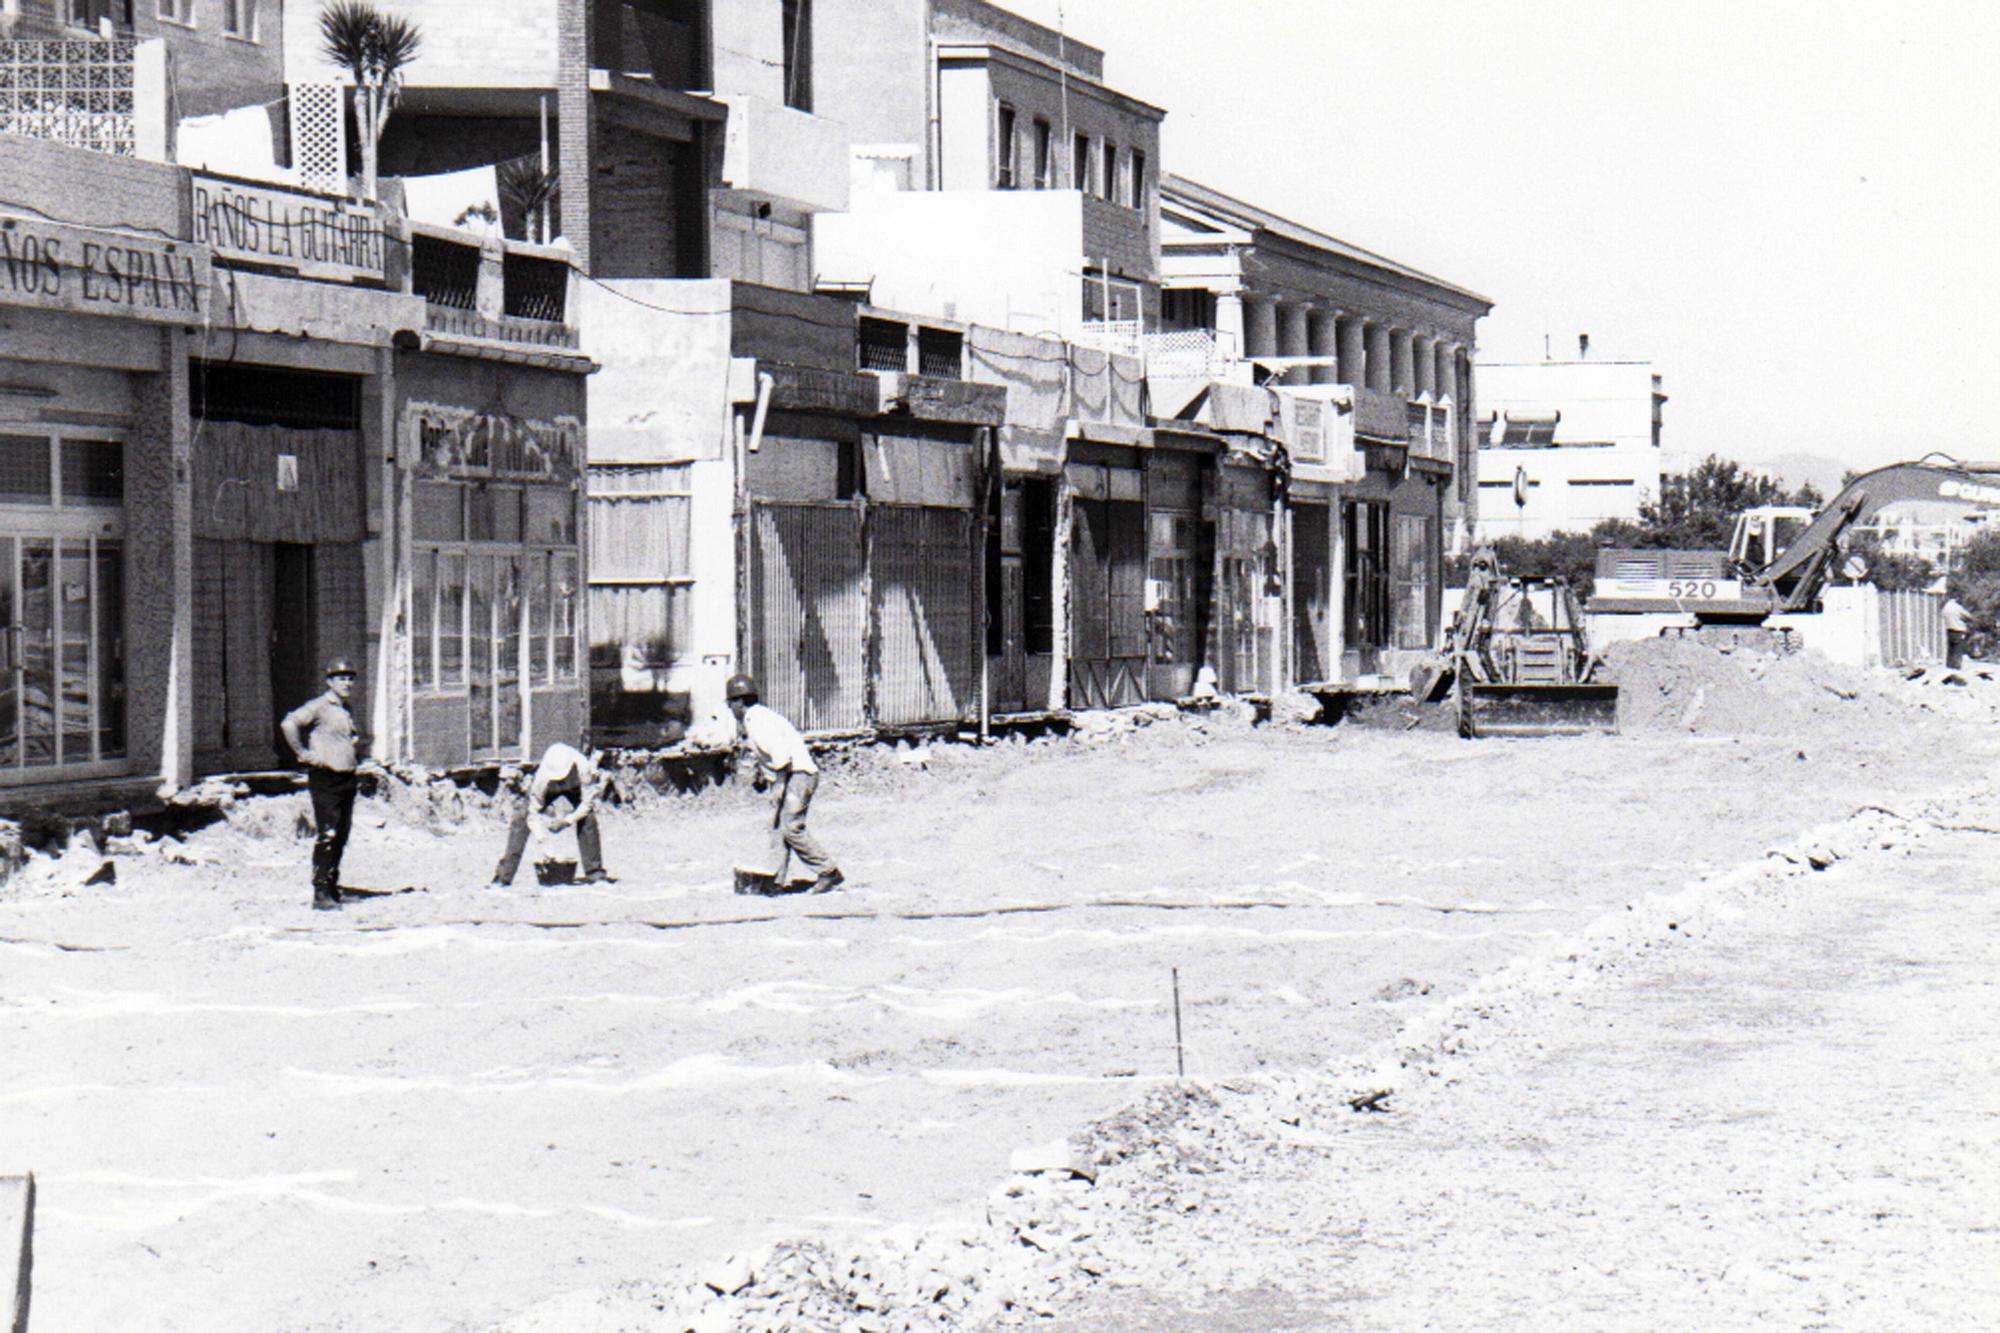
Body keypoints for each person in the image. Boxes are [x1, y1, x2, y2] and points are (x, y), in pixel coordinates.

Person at [725, 674, 843, 895]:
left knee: (791, 827)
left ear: (739, 702)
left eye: (730, 703)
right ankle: (775, 881)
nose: (730, 708)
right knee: (778, 829)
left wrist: (778, 786)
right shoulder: (760, 716)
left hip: (799, 775)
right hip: (792, 774)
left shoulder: (756, 721)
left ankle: (828, 871)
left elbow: (781, 756)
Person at [281, 658, 364, 912]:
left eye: (350, 678)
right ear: (329, 681)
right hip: (325, 777)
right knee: (327, 833)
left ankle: (332, 888)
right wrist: (303, 753)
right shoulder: (319, 705)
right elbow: (289, 723)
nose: (347, 682)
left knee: (341, 833)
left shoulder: (345, 708)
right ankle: (320, 893)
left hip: (346, 778)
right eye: (341, 678)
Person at [490, 742, 615, 888]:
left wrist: (567, 821)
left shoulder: (583, 767)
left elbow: (587, 804)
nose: (560, 779)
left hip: (576, 788)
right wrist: (543, 842)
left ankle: (595, 874)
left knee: (588, 819)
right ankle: (503, 877)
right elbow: (533, 813)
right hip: (549, 789)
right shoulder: (541, 779)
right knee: (521, 816)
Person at [1942, 592, 1971, 669]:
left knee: (1950, 649)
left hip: (1949, 629)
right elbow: (1968, 616)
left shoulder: (1946, 607)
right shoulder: (1957, 607)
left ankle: (1949, 666)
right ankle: (1956, 666)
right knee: (1958, 649)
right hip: (1959, 630)